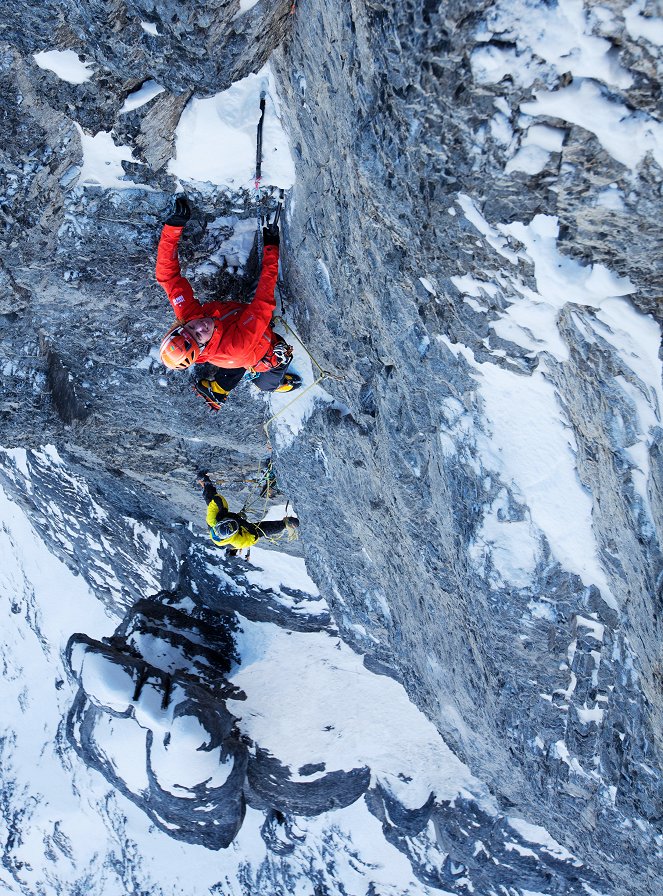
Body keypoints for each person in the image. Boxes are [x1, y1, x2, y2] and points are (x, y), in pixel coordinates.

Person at [156, 196, 301, 411]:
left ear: (181, 325)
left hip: (236, 333)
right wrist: (271, 249)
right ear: (203, 347)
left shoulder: (190, 317)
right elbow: (263, 301)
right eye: (198, 336)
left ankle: (219, 387)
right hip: (258, 349)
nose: (199, 326)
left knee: (235, 365)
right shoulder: (236, 346)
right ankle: (276, 385)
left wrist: (173, 227)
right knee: (266, 378)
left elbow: (167, 277)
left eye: (189, 328)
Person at [199, 474, 299, 553]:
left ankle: (205, 483)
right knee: (260, 530)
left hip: (224, 517)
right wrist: (242, 522)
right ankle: (286, 524)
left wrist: (209, 489)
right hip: (242, 530)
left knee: (213, 502)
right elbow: (254, 536)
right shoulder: (238, 542)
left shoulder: (212, 520)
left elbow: (216, 500)